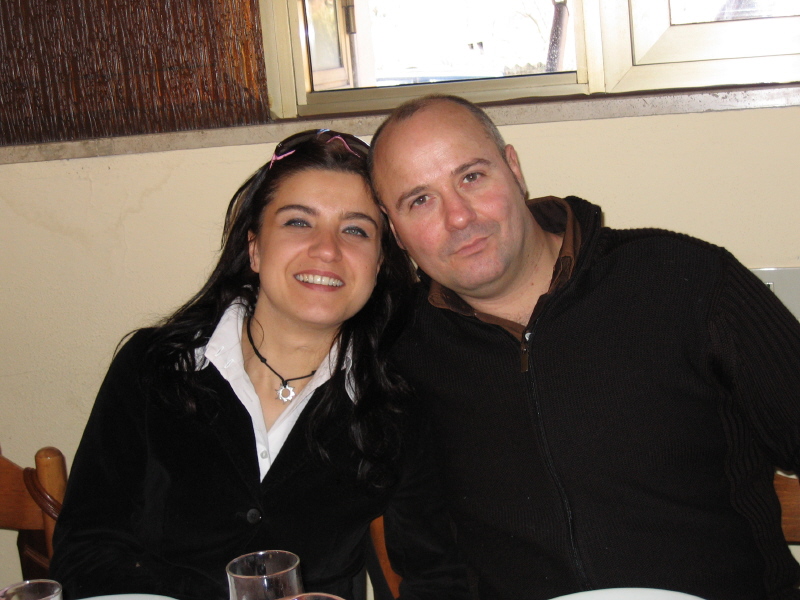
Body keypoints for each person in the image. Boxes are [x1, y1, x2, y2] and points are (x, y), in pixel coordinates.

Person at [368, 95, 800, 600]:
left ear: (513, 169)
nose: (459, 217)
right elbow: (430, 567)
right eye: (420, 200)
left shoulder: (688, 281)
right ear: (395, 230)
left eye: (472, 176)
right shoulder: (403, 351)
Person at [50, 129, 469, 600]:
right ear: (254, 247)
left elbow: (438, 578)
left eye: (355, 230)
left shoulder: (394, 404)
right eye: (298, 222)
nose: (327, 249)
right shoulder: (158, 366)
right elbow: (83, 553)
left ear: (377, 264)